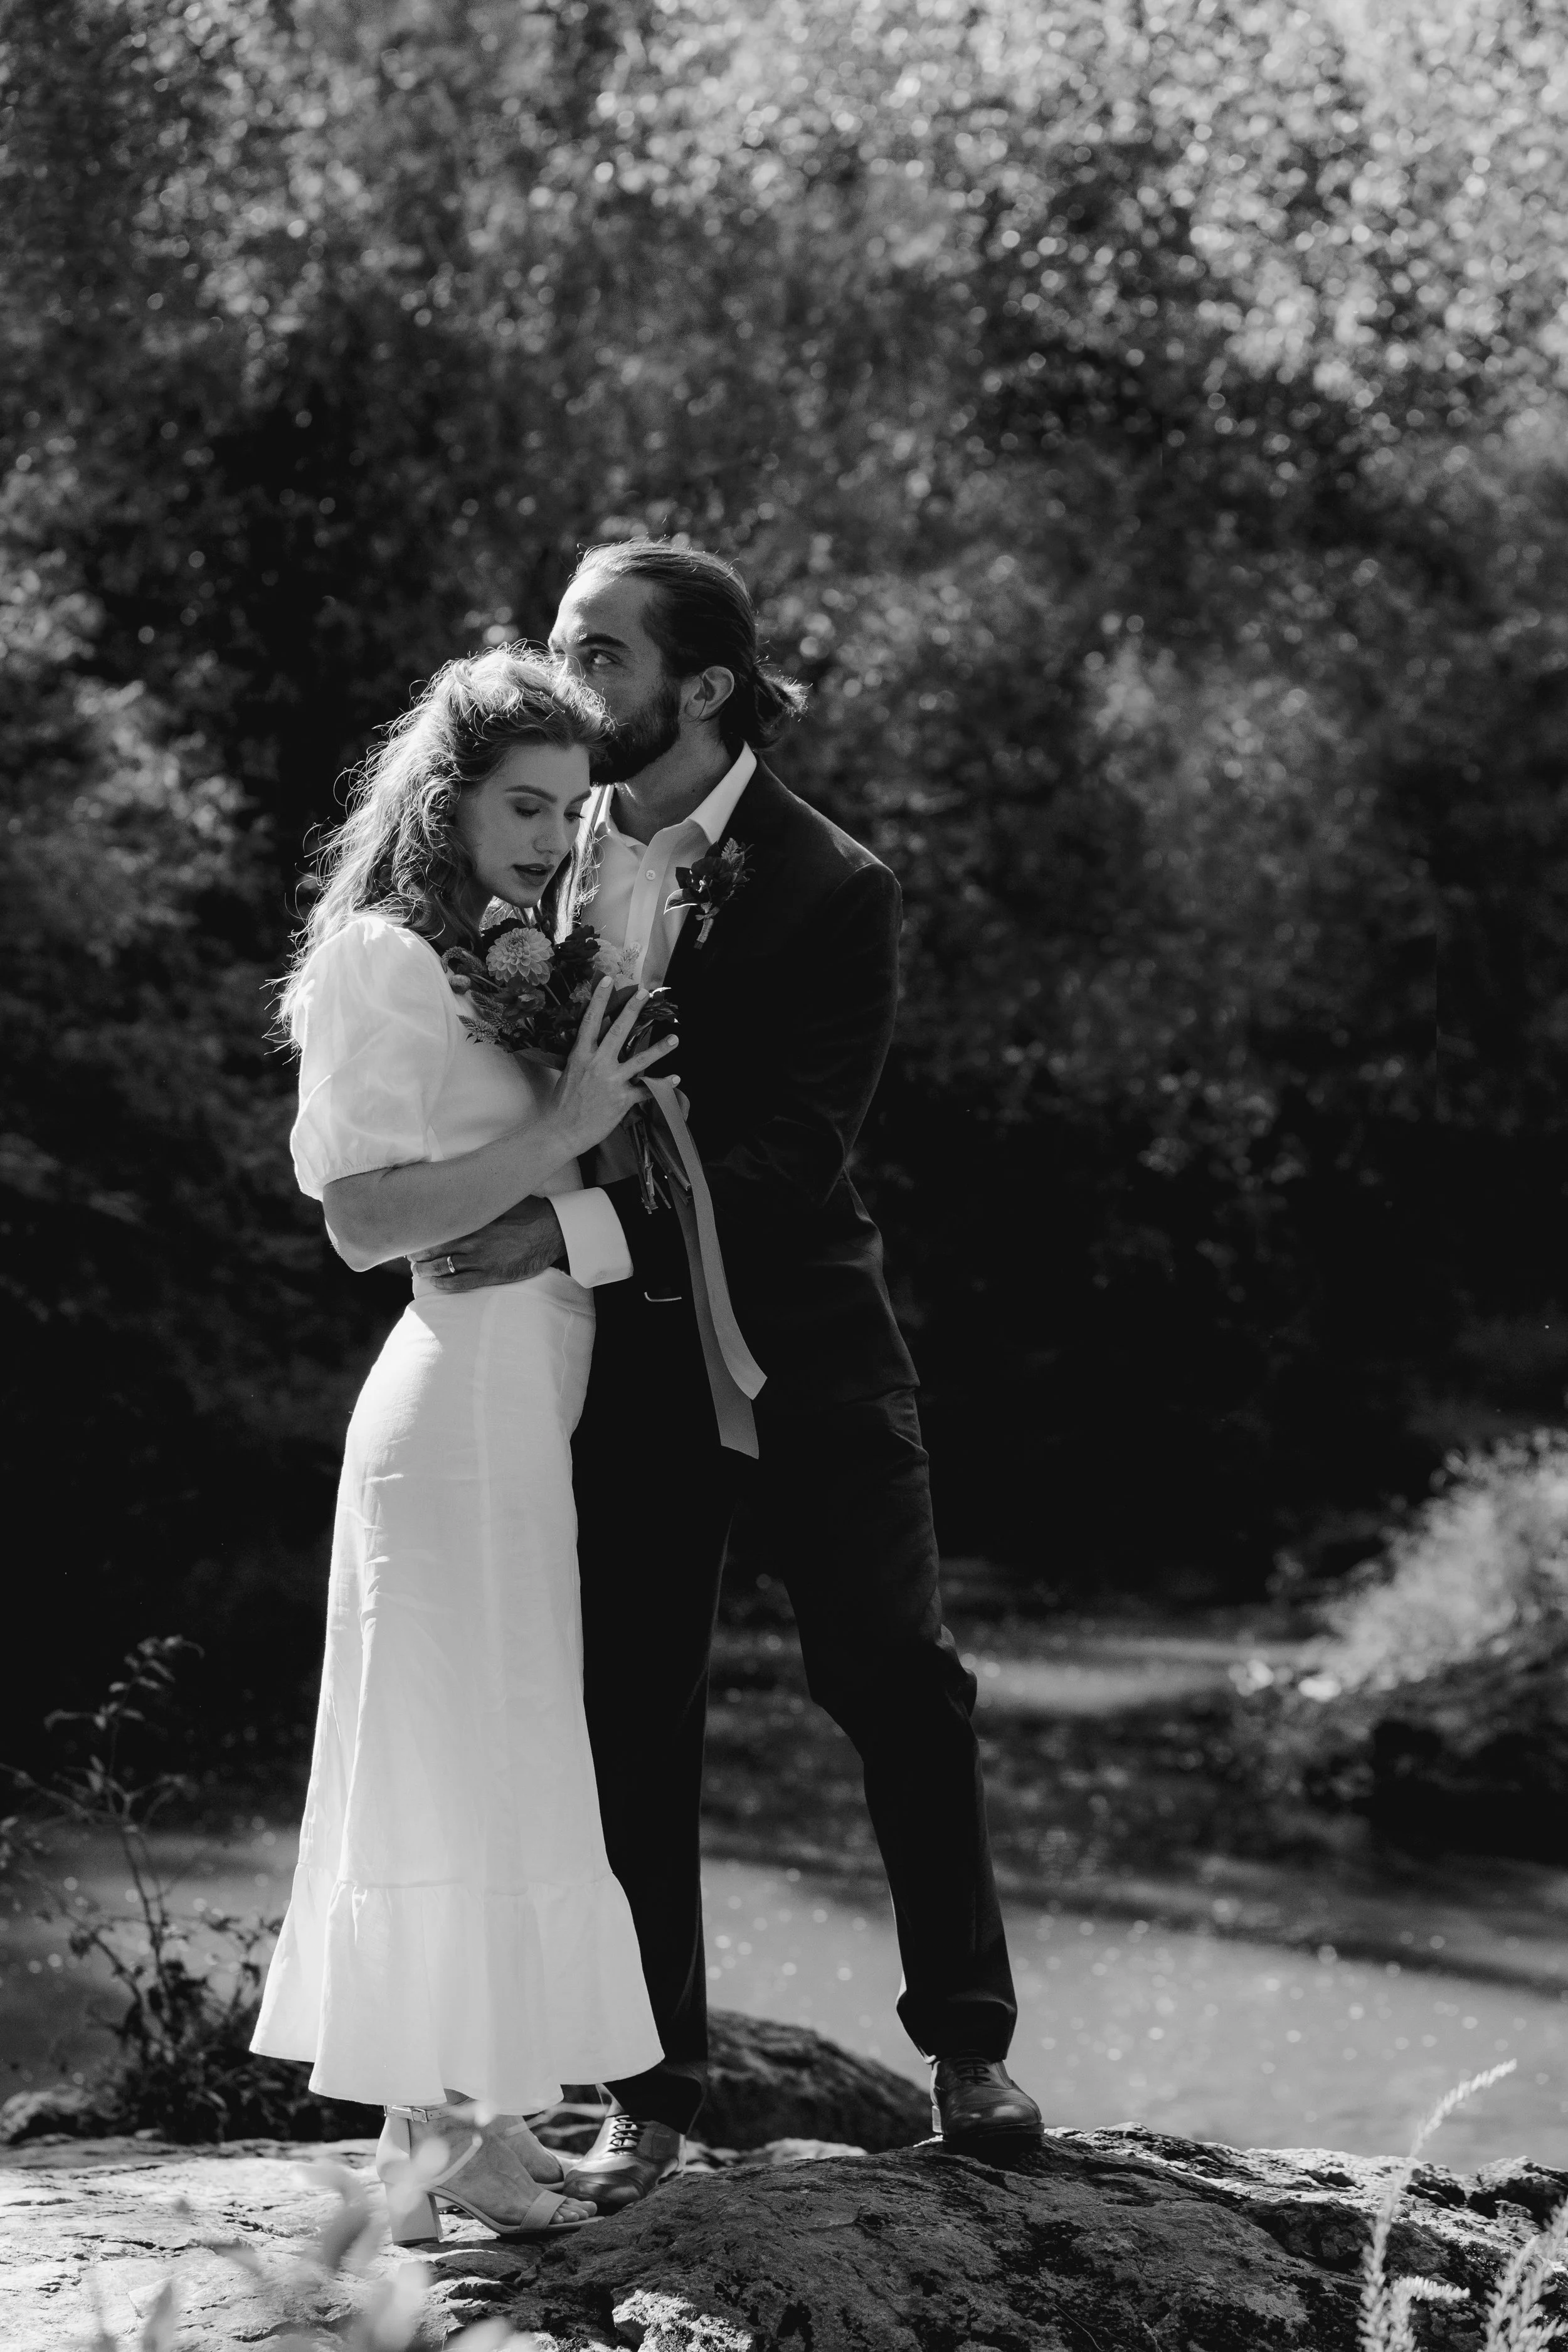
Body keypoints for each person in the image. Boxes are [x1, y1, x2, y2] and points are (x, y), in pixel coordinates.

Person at [416, 541, 1043, 2209]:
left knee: (895, 1675)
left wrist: (562, 1229)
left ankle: (967, 2047)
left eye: (599, 654)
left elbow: (787, 1157)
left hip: (808, 1339)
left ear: (700, 688)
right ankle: (651, 2090)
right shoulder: (530, 855)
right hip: (617, 1356)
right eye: (560, 646)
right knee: (630, 1704)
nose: (564, 678)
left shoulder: (836, 886)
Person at [250, 650, 678, 2243]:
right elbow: (365, 1223)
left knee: (483, 1750)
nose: (553, 840)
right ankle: (446, 2145)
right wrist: (566, 1131)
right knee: (460, 1755)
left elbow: (555, 1201)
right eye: (524, 807)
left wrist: (580, 1155)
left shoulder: (503, 959)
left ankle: (449, 2140)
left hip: (521, 1396)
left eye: (569, 813)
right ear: (447, 801)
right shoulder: (381, 958)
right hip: (456, 1401)